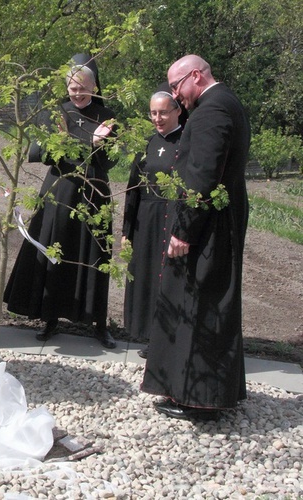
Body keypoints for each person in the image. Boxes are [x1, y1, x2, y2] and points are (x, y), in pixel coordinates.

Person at [142, 55, 251, 420]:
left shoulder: (211, 112)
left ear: (196, 76)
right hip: (221, 219)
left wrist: (184, 230)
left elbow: (203, 175)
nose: (175, 95)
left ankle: (200, 401)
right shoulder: (227, 101)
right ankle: (197, 393)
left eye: (177, 86)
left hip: (208, 226)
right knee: (207, 305)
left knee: (199, 306)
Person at [4, 53, 118, 349]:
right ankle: (49, 317)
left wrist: (85, 146)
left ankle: (98, 323)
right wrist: (88, 144)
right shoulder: (55, 113)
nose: (77, 93)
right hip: (58, 190)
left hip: (94, 194)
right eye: (72, 87)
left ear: (94, 86)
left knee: (94, 255)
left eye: (83, 87)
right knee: (54, 250)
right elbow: (44, 154)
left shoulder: (107, 117)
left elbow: (107, 163)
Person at [121, 83, 187, 359]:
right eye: (153, 113)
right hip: (146, 221)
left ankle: (171, 337)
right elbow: (132, 188)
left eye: (163, 113)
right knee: (148, 277)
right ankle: (149, 335)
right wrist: (126, 230)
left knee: (169, 279)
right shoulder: (146, 144)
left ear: (178, 111)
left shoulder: (187, 142)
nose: (158, 119)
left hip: (172, 217)